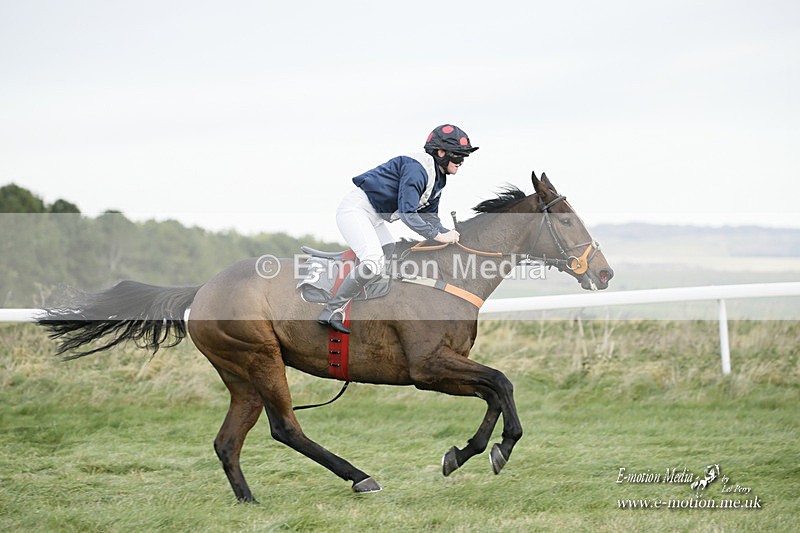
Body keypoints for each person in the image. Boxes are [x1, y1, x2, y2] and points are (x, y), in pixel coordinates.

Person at [318, 124, 479, 334]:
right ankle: (331, 310)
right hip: (356, 210)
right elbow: (407, 213)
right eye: (458, 157)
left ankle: (364, 303)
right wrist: (438, 235)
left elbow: (430, 217)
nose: (461, 163)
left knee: (389, 252)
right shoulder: (418, 169)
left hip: (374, 216)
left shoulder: (438, 178)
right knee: (374, 262)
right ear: (441, 153)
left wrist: (448, 233)